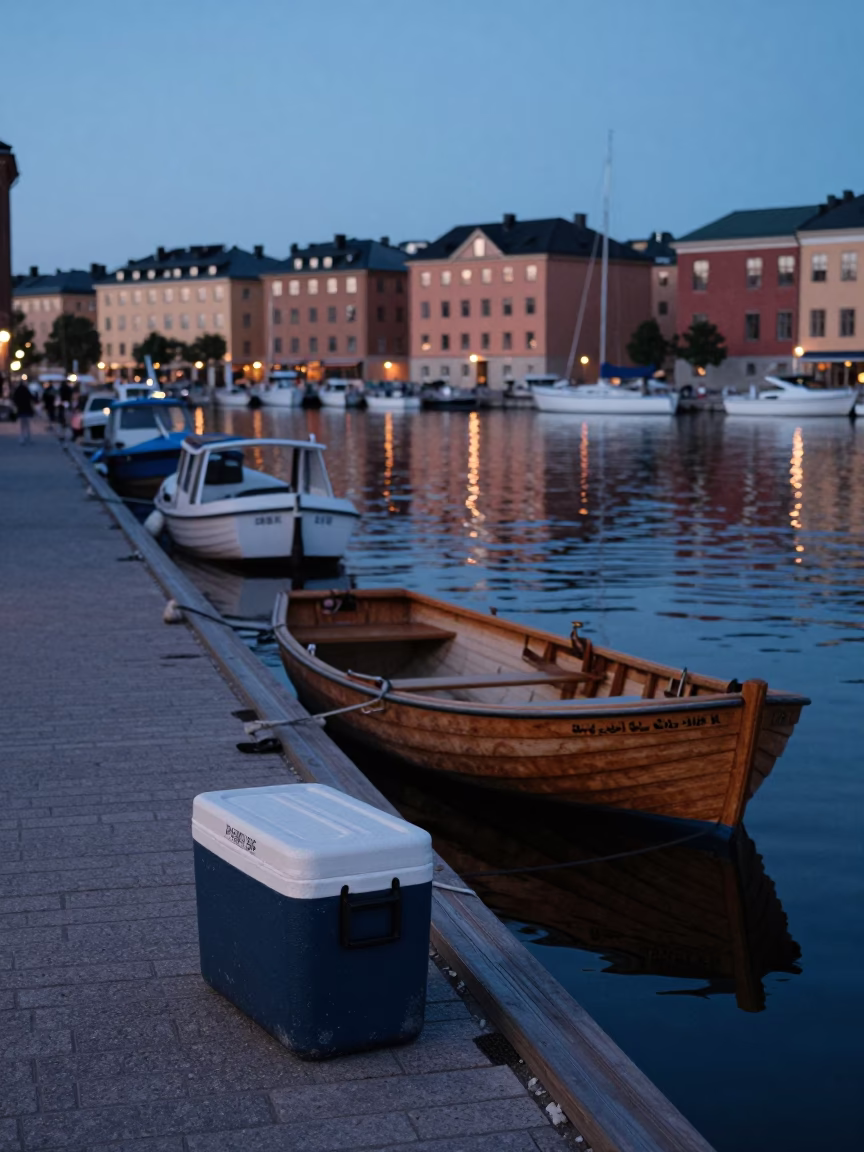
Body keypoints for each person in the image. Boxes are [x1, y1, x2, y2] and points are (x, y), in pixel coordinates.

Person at [12, 379, 35, 445]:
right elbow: (31, 397)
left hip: (21, 409)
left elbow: (14, 399)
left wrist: (17, 405)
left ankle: (22, 438)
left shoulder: (17, 390)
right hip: (27, 409)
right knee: (27, 424)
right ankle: (28, 437)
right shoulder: (26, 390)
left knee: (22, 425)